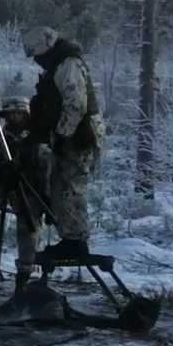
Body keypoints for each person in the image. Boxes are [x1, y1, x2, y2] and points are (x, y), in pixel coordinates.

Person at [23, 26, 106, 261]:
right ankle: (71, 237)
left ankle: (75, 240)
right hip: (73, 133)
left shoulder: (68, 64)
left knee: (70, 186)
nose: (36, 61)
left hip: (79, 135)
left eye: (37, 56)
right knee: (61, 184)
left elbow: (76, 104)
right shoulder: (60, 64)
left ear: (44, 50)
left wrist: (62, 135)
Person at [0, 96, 51, 294]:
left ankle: (24, 273)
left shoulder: (36, 137)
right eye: (9, 115)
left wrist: (46, 196)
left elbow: (46, 168)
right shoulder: (1, 137)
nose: (13, 118)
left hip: (31, 189)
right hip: (7, 186)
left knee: (28, 228)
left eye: (18, 114)